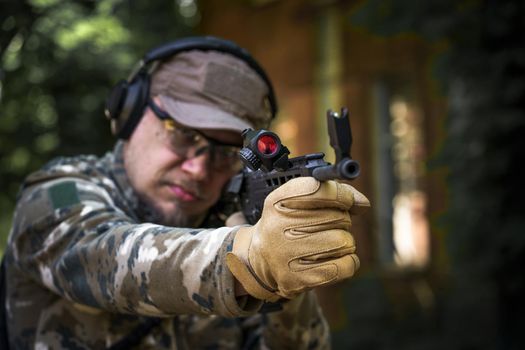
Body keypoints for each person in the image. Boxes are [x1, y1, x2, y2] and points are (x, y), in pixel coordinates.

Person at [2, 36, 370, 349]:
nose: (198, 169)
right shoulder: (58, 195)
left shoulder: (234, 221)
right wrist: (244, 255)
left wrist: (285, 282)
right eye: (183, 134)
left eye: (227, 153)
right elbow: (103, 256)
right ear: (128, 113)